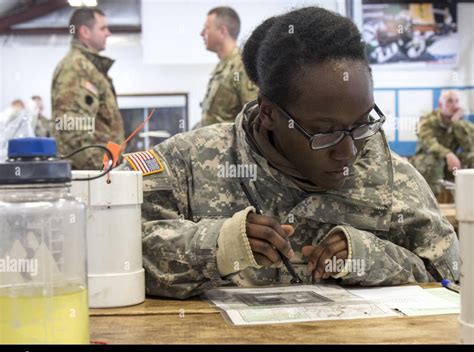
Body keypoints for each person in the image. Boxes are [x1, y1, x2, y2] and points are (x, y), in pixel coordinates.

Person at [121, 7, 459, 299]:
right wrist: (221, 246)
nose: (348, 152)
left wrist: (369, 257)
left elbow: (451, 275)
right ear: (268, 113)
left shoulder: (393, 176)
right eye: (324, 132)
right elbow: (112, 251)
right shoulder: (190, 162)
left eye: (361, 124)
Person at [51, 7, 124, 169]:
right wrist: (99, 169)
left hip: (101, 169)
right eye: (103, 28)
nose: (108, 33)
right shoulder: (75, 67)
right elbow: (71, 126)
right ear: (85, 32)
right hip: (91, 174)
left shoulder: (89, 67)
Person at [197, 6, 258, 128]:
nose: (202, 33)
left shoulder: (242, 65)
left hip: (232, 147)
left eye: (207, 28)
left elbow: (253, 118)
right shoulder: (222, 67)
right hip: (213, 145)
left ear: (222, 31)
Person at [411, 90, 473, 196]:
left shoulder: (460, 122)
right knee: (432, 160)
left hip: (451, 164)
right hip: (428, 163)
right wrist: (448, 154)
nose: (454, 105)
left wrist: (457, 123)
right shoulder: (428, 120)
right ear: (441, 105)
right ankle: (430, 201)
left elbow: (470, 146)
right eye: (449, 101)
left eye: (456, 101)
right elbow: (429, 143)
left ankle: (469, 197)